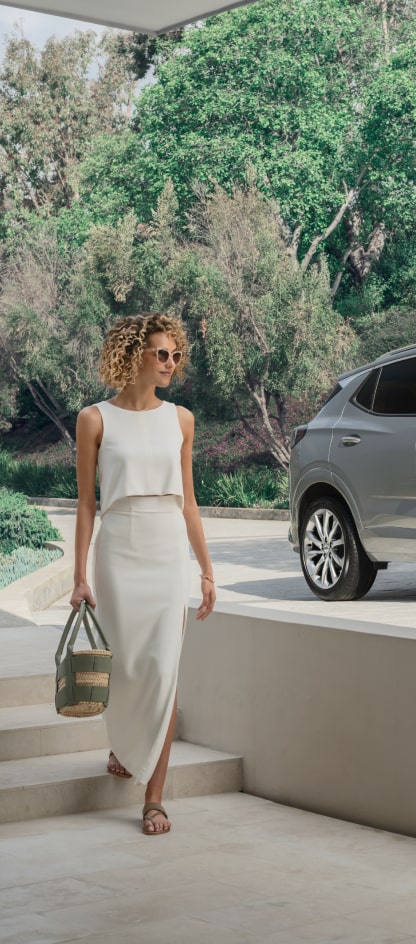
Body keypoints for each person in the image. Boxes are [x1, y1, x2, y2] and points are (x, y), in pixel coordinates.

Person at [71, 312, 216, 836]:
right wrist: (79, 575)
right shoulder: (95, 419)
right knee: (126, 664)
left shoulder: (181, 419)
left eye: (176, 355)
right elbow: (87, 505)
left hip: (164, 550)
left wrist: (205, 569)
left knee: (162, 668)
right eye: (162, 353)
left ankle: (154, 797)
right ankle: (124, 742)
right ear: (134, 354)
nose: (171, 363)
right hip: (118, 547)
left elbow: (190, 501)